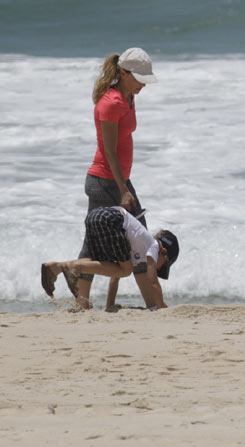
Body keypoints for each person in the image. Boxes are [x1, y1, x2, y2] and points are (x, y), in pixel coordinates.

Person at [77, 47, 158, 308]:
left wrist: (124, 184)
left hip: (118, 179)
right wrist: (123, 190)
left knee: (116, 241)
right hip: (106, 182)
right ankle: (153, 305)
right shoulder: (111, 102)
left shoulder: (128, 96)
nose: (143, 85)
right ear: (123, 73)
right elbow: (109, 152)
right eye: (139, 78)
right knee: (138, 238)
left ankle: (82, 303)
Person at [41, 206, 179, 311]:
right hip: (111, 220)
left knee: (108, 265)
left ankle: (56, 267)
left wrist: (109, 306)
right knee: (126, 270)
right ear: (164, 252)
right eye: (163, 265)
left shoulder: (138, 247)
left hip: (95, 216)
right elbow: (153, 281)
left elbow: (114, 277)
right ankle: (74, 267)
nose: (158, 268)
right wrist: (161, 307)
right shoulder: (153, 246)